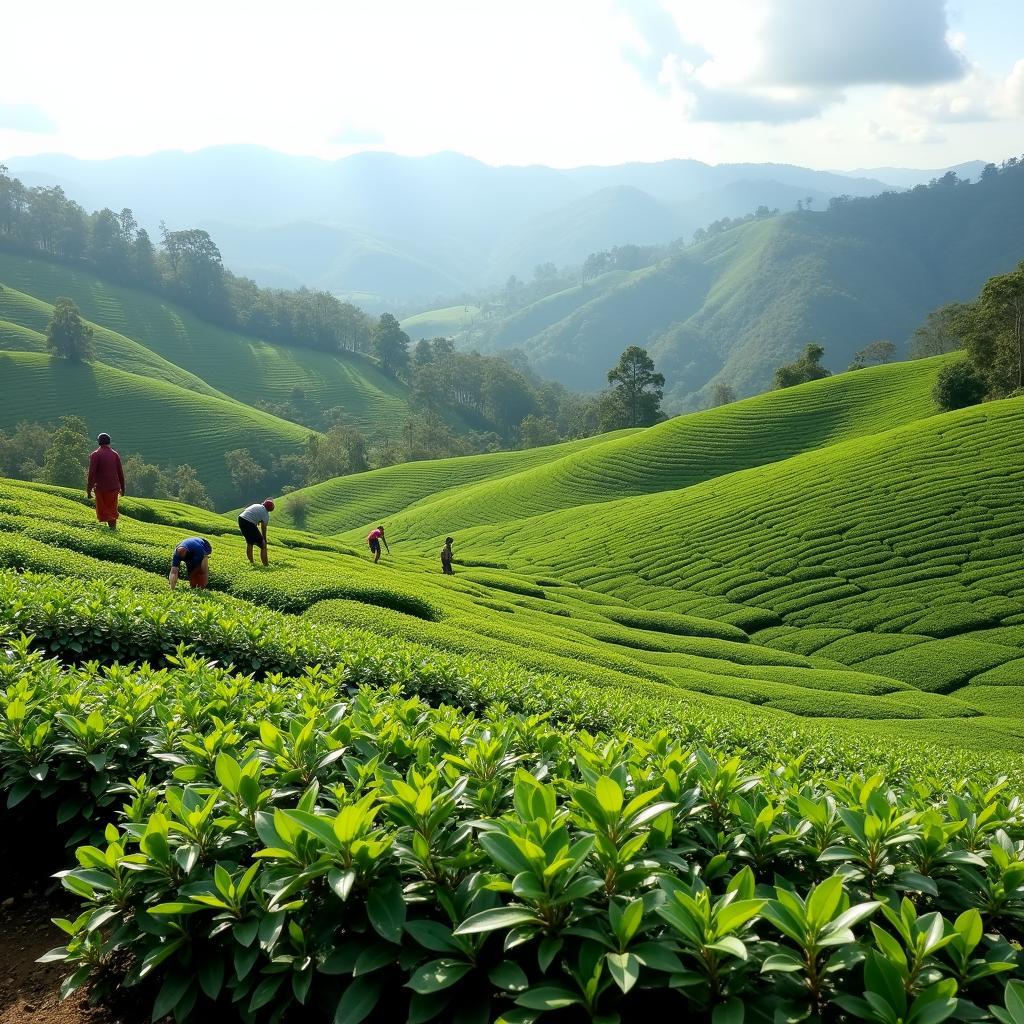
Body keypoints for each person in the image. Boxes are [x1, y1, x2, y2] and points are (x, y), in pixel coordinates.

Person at [86, 432, 125, 531]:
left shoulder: (96, 454)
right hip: (114, 488)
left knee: (104, 509)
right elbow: (120, 473)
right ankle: (112, 529)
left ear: (98, 442)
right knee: (112, 509)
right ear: (109, 442)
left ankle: (111, 530)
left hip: (101, 488)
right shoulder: (115, 454)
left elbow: (92, 474)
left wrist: (88, 490)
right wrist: (123, 488)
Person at [238, 498, 275, 566]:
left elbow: (248, 511)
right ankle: (266, 565)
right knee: (263, 546)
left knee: (250, 543)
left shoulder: (256, 505)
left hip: (241, 519)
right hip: (249, 523)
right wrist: (264, 539)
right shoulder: (266, 515)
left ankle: (251, 562)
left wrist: (256, 520)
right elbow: (263, 527)